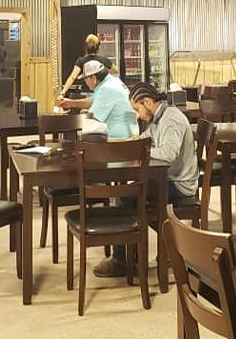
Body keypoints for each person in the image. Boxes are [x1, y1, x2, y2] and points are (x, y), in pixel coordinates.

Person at [93, 88, 198, 278]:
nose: (138, 115)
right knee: (132, 196)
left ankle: (122, 261)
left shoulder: (170, 119)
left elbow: (167, 154)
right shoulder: (158, 117)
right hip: (166, 178)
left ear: (147, 102)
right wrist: (123, 144)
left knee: (126, 196)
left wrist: (141, 151)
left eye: (137, 109)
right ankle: (165, 249)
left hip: (179, 184)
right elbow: (144, 140)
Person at [57, 60, 138, 140]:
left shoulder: (106, 89)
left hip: (118, 140)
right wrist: (71, 103)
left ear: (93, 78)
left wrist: (86, 114)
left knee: (84, 136)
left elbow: (92, 120)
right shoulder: (114, 81)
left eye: (85, 78)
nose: (85, 81)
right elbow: (94, 100)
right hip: (131, 136)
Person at [56, 34, 117, 103]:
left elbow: (72, 77)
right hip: (101, 93)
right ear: (98, 47)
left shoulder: (81, 61)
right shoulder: (104, 60)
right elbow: (116, 71)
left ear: (86, 47)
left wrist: (62, 93)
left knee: (86, 112)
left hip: (86, 93)